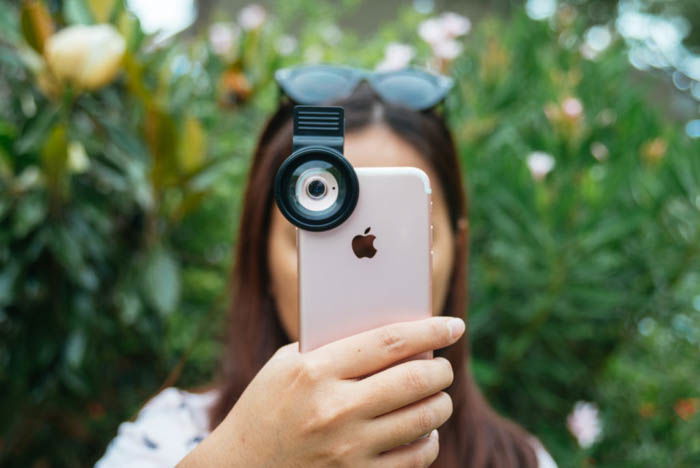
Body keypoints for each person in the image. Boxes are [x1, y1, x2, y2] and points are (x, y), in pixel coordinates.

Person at [95, 66, 556, 467]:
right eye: (314, 234)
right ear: (260, 252)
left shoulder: (518, 461)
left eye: (409, 236)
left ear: (458, 250)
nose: (358, 266)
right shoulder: (171, 437)